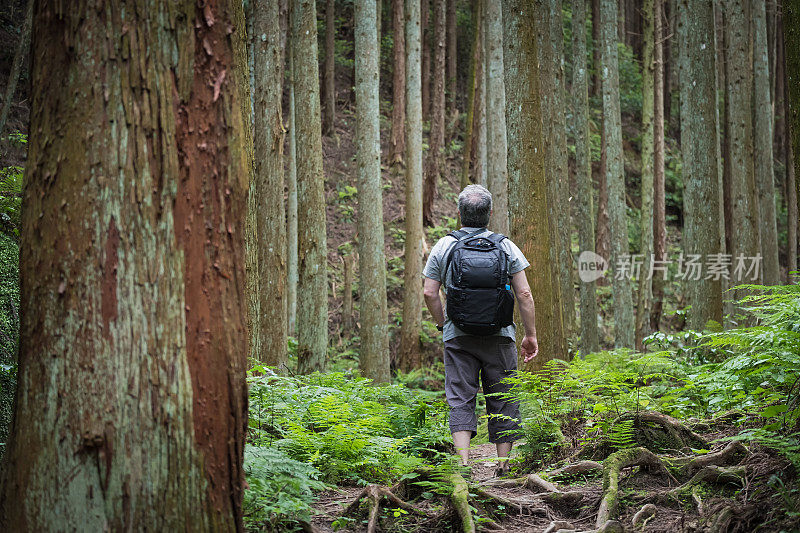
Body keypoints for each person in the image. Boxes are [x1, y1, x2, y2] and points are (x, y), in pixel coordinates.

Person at [422, 184, 539, 476]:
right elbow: (524, 295)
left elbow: (429, 292)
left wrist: (443, 323)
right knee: (503, 396)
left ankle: (463, 465)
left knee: (460, 396)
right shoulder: (505, 246)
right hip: (500, 335)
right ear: (489, 213)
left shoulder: (444, 246)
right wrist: (530, 334)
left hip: (458, 335)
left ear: (460, 213)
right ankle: (503, 466)